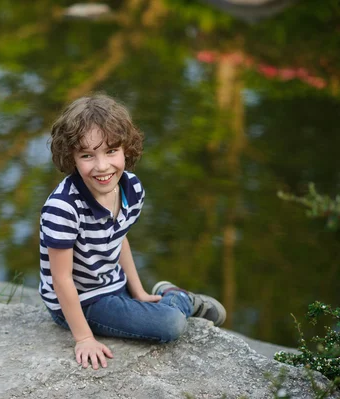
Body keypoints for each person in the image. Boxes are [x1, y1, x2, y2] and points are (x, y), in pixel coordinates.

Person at [38, 93, 226, 370]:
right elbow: (62, 279)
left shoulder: (132, 188)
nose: (102, 166)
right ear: (71, 157)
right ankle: (181, 299)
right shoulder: (63, 207)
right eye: (87, 155)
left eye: (111, 151)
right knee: (170, 324)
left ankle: (165, 294)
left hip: (115, 286)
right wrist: (84, 338)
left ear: (127, 149)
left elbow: (118, 238)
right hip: (83, 300)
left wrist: (137, 291)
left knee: (157, 315)